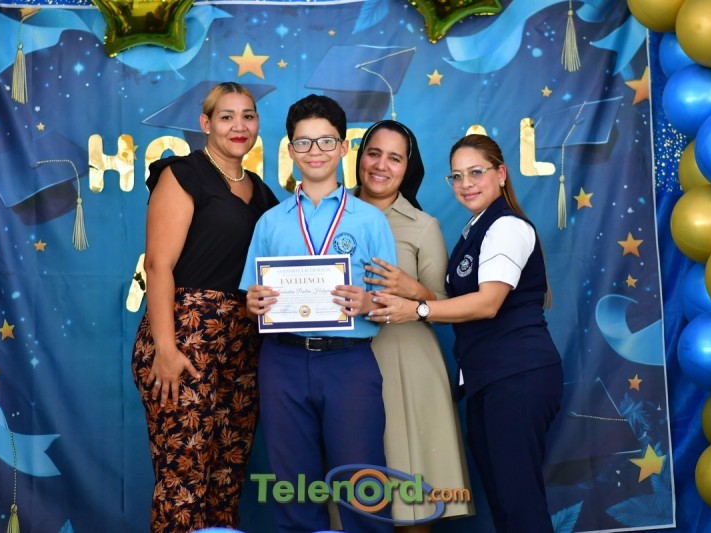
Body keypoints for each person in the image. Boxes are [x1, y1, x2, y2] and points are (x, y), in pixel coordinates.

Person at [367, 134, 563, 533]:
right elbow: (458, 301)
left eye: (476, 172)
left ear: (501, 174)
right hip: (489, 379)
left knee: (520, 505)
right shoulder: (476, 228)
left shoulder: (506, 226)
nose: (466, 184)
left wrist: (417, 308)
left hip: (518, 377)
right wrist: (417, 292)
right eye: (456, 176)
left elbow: (487, 303)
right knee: (506, 505)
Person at [240, 94, 397, 533]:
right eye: (304, 143)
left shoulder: (370, 221)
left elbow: (389, 301)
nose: (315, 152)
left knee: (362, 486)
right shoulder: (270, 222)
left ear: (343, 147)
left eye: (326, 141)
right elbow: (252, 296)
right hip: (283, 361)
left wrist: (368, 304)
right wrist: (253, 304)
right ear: (290, 150)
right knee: (293, 488)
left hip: (349, 362)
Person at [131, 82, 278, 533]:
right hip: (184, 338)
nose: (239, 125)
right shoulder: (184, 174)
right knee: (184, 478)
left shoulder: (263, 193)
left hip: (243, 347)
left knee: (226, 480)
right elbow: (158, 265)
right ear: (206, 123)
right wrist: (166, 349)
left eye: (248, 115)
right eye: (227, 116)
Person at [354, 120, 472, 531]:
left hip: (407, 366)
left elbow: (446, 303)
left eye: (395, 158)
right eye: (374, 153)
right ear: (360, 157)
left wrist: (413, 290)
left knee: (413, 498)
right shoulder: (328, 213)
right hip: (340, 365)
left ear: (408, 168)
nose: (381, 165)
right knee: (350, 497)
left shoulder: (423, 226)